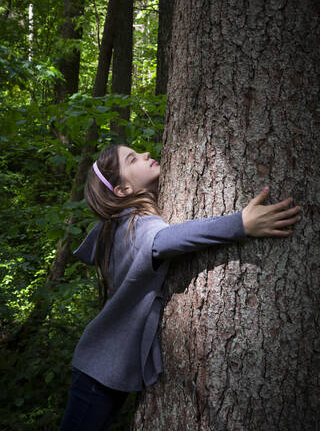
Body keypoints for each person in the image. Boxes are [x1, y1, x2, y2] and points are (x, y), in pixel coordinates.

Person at [59, 144, 301, 430]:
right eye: (132, 159)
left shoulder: (121, 226)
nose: (145, 154)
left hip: (105, 369)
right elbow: (168, 239)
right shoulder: (130, 227)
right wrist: (241, 224)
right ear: (122, 190)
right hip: (98, 372)